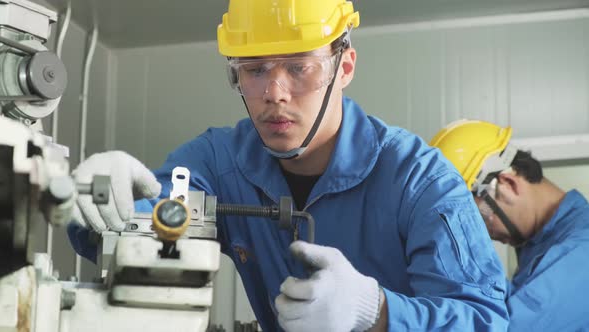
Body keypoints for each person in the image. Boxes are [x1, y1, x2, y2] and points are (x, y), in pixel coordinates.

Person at [68, 1, 509, 331]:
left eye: (300, 67)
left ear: (345, 67)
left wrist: (375, 310)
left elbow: (484, 319)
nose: (275, 92)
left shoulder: (419, 179)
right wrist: (108, 198)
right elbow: (163, 206)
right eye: (255, 69)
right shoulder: (218, 161)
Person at [430, 119, 589, 331]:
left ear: (508, 185)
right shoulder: (539, 245)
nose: (485, 234)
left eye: (479, 220)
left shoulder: (580, 251)